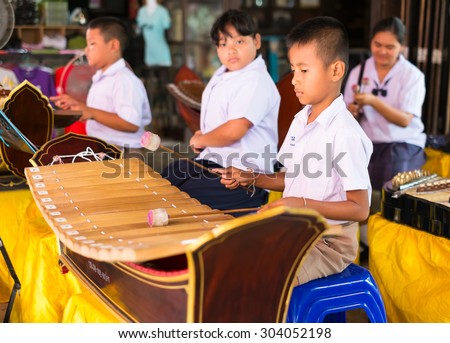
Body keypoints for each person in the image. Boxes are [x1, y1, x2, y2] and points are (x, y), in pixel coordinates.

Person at [213, 16, 373, 285]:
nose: (294, 80)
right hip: (295, 231)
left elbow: (360, 209)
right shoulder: (301, 119)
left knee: (260, 276)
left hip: (327, 244)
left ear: (335, 71)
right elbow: (293, 177)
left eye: (304, 71)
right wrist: (253, 178)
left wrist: (302, 204)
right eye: (293, 70)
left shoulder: (345, 132)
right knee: (226, 250)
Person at [161, 9, 280, 213]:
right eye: (223, 44)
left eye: (239, 42)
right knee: (163, 178)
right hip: (213, 161)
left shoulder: (255, 80)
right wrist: (203, 136)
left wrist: (201, 139)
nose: (230, 50)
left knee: (179, 198)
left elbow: (235, 131)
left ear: (257, 41)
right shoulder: (225, 74)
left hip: (243, 176)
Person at [343, 16, 426, 249]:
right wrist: (354, 109)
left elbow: (404, 119)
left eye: (390, 47)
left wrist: (372, 101)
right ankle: (361, 243)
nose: (382, 51)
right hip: (369, 142)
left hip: (402, 142)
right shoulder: (360, 71)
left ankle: (392, 244)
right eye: (377, 45)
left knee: (393, 187)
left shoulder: (412, 76)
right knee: (351, 185)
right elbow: (347, 115)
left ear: (402, 47)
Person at [50, 16, 151, 157]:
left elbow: (131, 123)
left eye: (92, 44)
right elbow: (104, 112)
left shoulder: (124, 80)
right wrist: (80, 107)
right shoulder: (102, 78)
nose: (86, 50)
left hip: (124, 153)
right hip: (105, 150)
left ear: (113, 46)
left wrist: (90, 112)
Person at [136, 0, 172, 67]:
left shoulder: (163, 11)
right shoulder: (141, 11)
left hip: (161, 50)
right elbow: (138, 28)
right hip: (147, 51)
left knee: (163, 74)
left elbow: (167, 25)